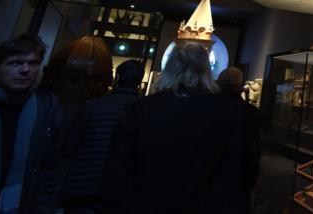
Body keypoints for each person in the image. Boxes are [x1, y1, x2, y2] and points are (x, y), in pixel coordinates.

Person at [102, 42, 244, 214]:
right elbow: (230, 171)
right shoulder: (225, 113)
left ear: (170, 67)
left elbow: (118, 166)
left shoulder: (140, 108)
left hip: (143, 203)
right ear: (206, 70)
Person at [59, 59, 144, 213]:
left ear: (117, 78)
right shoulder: (143, 111)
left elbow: (68, 147)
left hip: (83, 186)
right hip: (119, 191)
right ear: (139, 83)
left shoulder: (95, 106)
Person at [0, 33, 61, 214]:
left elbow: (48, 167)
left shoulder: (45, 108)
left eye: (33, 63)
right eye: (16, 63)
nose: (25, 70)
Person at [216, 67, 262, 211]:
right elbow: (253, 150)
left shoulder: (207, 107)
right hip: (239, 178)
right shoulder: (251, 112)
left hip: (209, 178)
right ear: (240, 86)